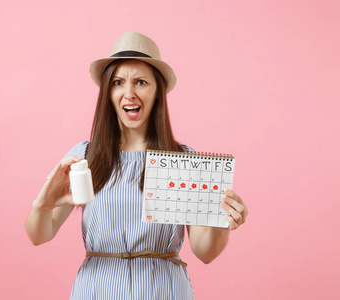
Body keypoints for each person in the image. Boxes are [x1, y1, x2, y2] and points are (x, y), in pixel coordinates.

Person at [25, 32, 249, 299]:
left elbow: (205, 252)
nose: (128, 94)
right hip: (98, 290)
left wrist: (221, 223)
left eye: (141, 82)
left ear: (157, 92)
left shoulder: (182, 159)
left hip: (163, 290)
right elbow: (39, 235)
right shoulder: (85, 156)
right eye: (118, 83)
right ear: (108, 92)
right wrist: (43, 203)